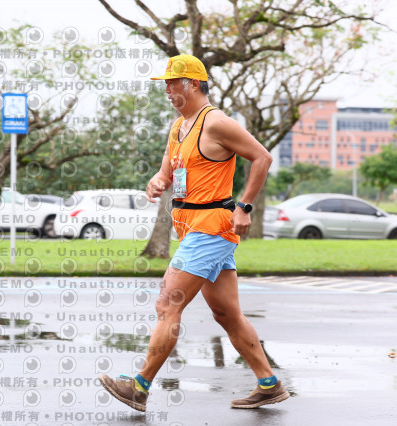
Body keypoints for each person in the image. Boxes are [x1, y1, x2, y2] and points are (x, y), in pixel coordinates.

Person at [98, 54, 289, 411]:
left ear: (194, 84)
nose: (167, 89)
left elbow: (262, 157)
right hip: (191, 229)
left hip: (211, 228)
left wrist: (244, 207)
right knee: (226, 314)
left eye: (172, 83)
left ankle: (139, 387)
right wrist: (158, 181)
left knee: (167, 302)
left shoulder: (216, 123)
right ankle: (269, 384)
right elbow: (167, 171)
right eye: (166, 84)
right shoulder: (178, 127)